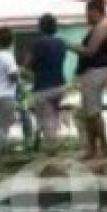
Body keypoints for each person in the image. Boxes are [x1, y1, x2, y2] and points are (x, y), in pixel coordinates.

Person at [68, 0, 107, 160]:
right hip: (92, 72)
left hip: (95, 72)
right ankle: (93, 148)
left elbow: (90, 51)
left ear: (95, 11)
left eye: (87, 13)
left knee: (94, 113)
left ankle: (103, 148)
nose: (86, 17)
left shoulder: (103, 27)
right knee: (89, 113)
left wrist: (68, 45)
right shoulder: (100, 27)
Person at [29, 13, 68, 150]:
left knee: (47, 121)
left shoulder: (38, 43)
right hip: (59, 86)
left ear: (41, 27)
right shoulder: (61, 43)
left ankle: (52, 151)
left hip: (43, 87)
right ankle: (50, 144)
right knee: (53, 116)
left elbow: (30, 64)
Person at [0, 27, 19, 154]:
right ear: (12, 41)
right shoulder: (9, 57)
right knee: (3, 128)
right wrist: (19, 77)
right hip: (6, 96)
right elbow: (13, 76)